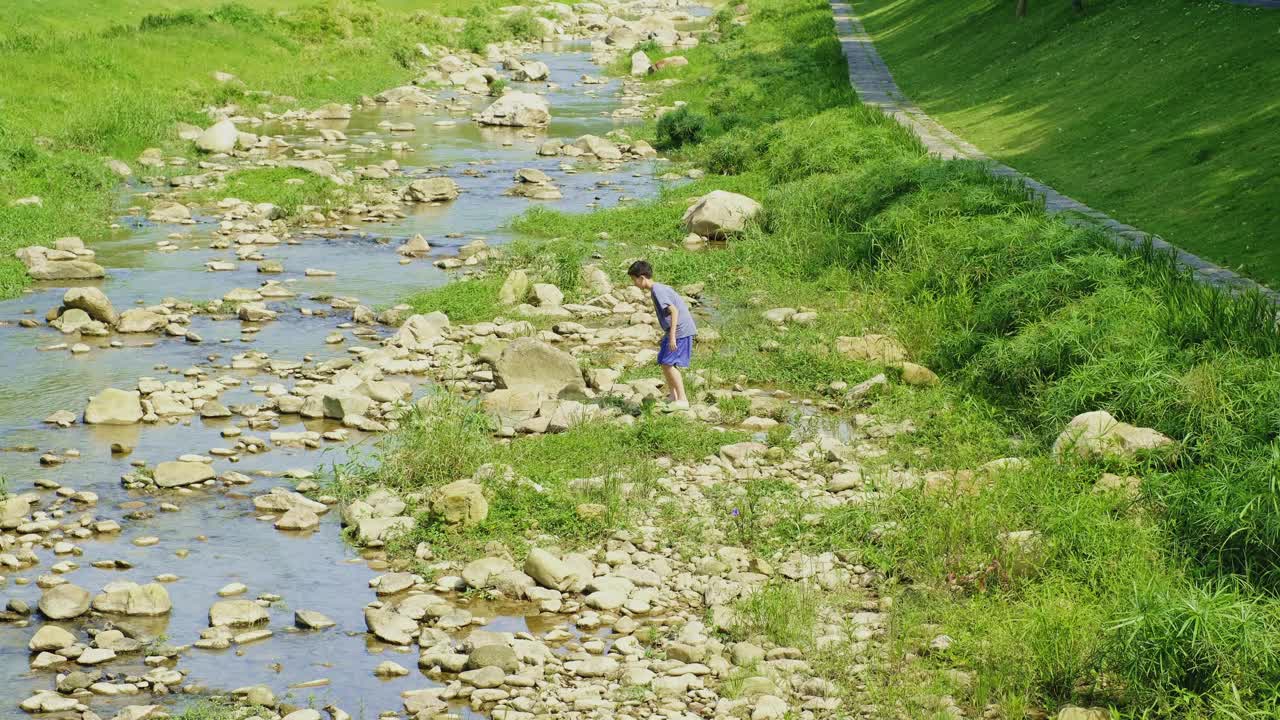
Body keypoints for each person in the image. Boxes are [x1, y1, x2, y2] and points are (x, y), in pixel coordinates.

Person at [628, 259, 696, 409]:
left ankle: (683, 400)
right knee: (664, 362)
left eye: (634, 280)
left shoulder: (657, 290)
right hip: (674, 330)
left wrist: (672, 336)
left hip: (680, 330)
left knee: (668, 364)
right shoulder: (657, 289)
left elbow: (674, 311)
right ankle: (673, 396)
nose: (634, 284)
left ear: (642, 278)